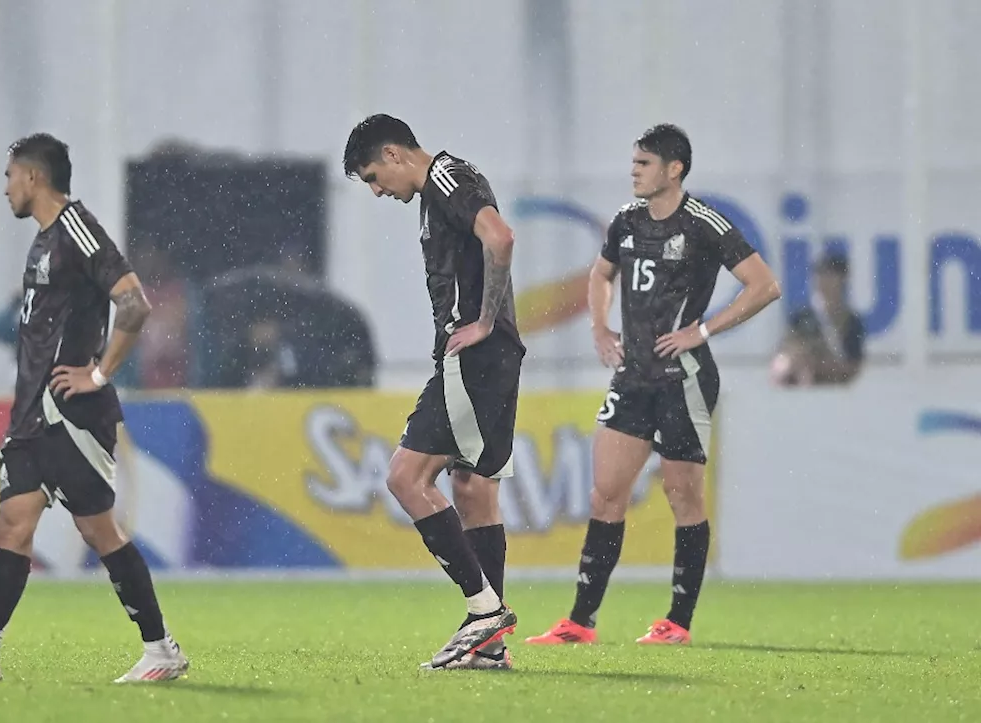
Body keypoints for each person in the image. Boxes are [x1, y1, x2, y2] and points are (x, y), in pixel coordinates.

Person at [0, 133, 188, 683]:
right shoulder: (43, 240)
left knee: (99, 532)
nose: (6, 188)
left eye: (9, 176)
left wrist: (98, 372)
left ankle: (161, 649)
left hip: (69, 414)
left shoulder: (76, 228)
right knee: (13, 525)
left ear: (33, 177)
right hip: (30, 415)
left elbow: (134, 303)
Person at [525, 124, 780, 646]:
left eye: (643, 164)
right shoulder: (625, 221)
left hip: (682, 378)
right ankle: (580, 622)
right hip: (633, 377)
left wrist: (702, 330)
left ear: (674, 169)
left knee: (682, 495)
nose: (634, 171)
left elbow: (765, 285)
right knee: (605, 495)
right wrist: (599, 328)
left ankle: (677, 623)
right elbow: (600, 275)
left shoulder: (704, 223)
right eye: (634, 163)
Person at [343, 114, 524, 670]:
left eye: (375, 176)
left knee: (404, 476)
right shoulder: (444, 186)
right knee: (472, 489)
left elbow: (501, 236)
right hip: (488, 361)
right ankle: (489, 647)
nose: (377, 191)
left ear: (395, 154)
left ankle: (483, 611)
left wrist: (486, 321)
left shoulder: (445, 178)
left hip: (474, 358)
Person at [769, 251, 865, 386]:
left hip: (834, 389)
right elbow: (783, 356)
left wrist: (820, 364)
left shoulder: (851, 321)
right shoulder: (802, 318)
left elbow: (854, 366)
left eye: (830, 275)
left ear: (842, 279)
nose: (824, 281)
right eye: (820, 275)